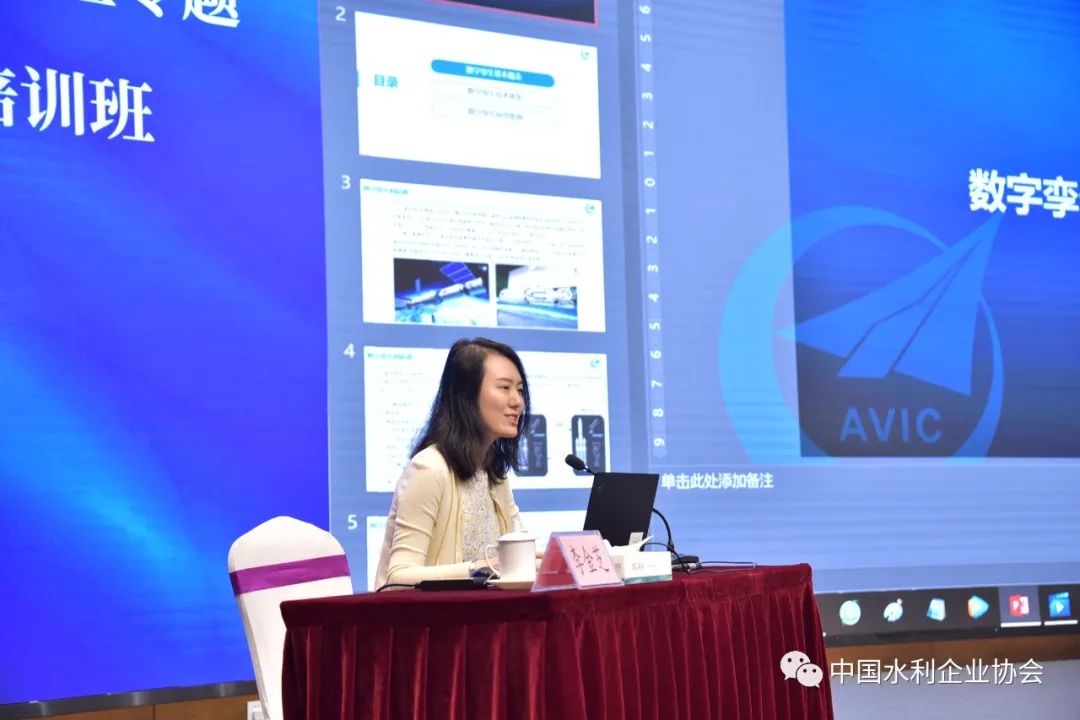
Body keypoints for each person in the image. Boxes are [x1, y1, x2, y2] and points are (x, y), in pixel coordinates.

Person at [374, 337, 530, 589]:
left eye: (520, 390)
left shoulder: (494, 473)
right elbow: (398, 577)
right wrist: (480, 569)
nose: (517, 401)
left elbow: (516, 553)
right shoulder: (429, 468)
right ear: (467, 395)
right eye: (504, 388)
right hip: (428, 614)